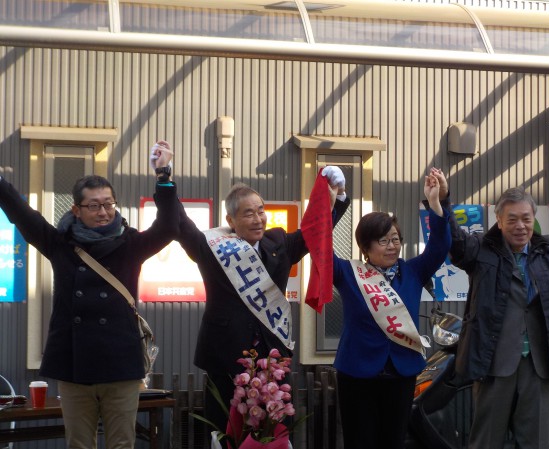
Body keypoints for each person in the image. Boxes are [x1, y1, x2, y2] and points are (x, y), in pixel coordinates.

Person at [0, 141, 179, 449]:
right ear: (76, 209)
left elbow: (168, 226)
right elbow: (22, 215)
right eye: (94, 205)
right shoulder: (60, 244)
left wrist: (163, 176)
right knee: (79, 444)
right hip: (74, 365)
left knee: (122, 444)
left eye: (109, 204)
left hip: (121, 365)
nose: (103, 212)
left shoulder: (130, 244)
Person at [433, 167, 549, 449]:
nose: (520, 226)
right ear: (499, 221)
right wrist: (443, 201)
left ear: (533, 220)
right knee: (486, 440)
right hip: (493, 362)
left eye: (526, 218)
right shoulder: (480, 250)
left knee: (534, 441)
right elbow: (455, 241)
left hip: (540, 364)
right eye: (512, 219)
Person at [177, 167, 349, 432]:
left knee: (275, 430)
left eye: (260, 211)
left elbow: (315, 232)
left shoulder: (278, 241)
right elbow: (179, 224)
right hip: (225, 356)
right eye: (248, 213)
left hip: (272, 356)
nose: (258, 219)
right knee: (225, 431)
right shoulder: (212, 248)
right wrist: (165, 178)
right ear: (231, 220)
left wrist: (338, 197)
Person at [331, 171, 451, 449]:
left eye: (395, 239)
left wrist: (436, 202)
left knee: (392, 441)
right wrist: (334, 204)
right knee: (360, 442)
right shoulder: (348, 273)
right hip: (357, 371)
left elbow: (440, 245)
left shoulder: (413, 271)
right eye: (383, 240)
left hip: (401, 372)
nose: (392, 246)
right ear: (366, 246)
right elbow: (321, 248)